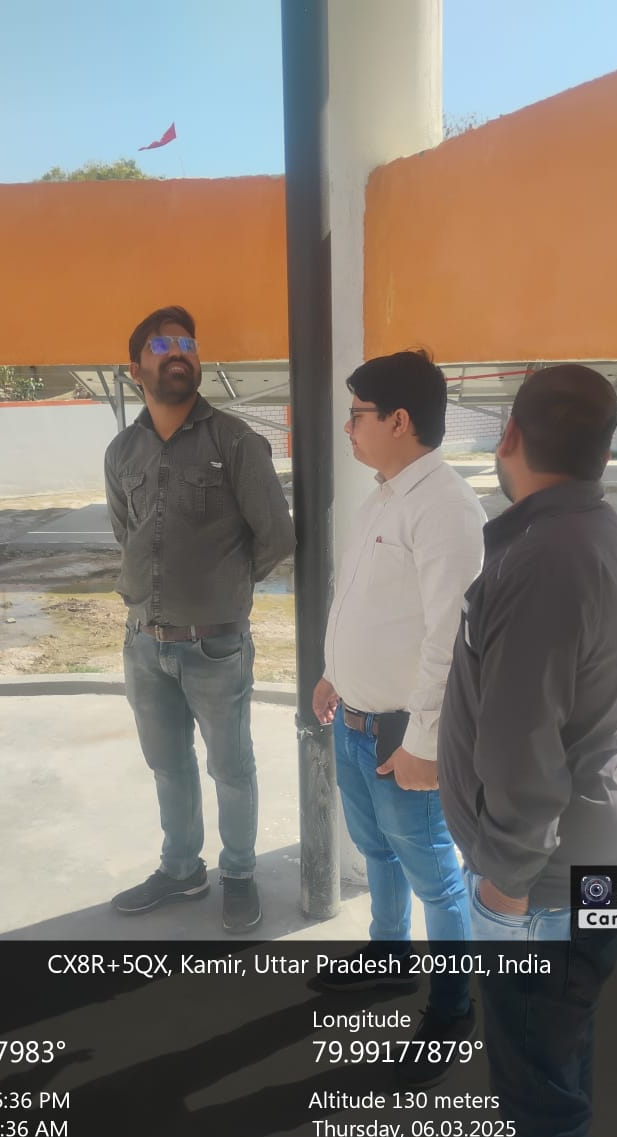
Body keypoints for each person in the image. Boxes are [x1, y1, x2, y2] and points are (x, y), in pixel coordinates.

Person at [437, 364, 617, 1137]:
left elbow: (522, 747)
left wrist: (503, 882)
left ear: (509, 437)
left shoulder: (542, 559)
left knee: (537, 1098)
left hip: (542, 882)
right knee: (558, 1060)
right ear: (604, 450)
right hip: (580, 860)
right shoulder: (599, 532)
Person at [311, 349, 486, 1084]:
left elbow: (453, 640)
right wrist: (334, 672)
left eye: (357, 414)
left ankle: (453, 1007)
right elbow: (363, 601)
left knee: (435, 877)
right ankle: (387, 957)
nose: (348, 427)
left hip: (400, 738)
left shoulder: (446, 508)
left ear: (399, 420)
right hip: (355, 721)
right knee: (377, 851)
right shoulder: (383, 498)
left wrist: (425, 743)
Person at [105, 305, 295, 933]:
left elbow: (275, 536)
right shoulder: (122, 451)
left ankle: (238, 874)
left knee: (231, 770)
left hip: (216, 647)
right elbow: (127, 535)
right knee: (168, 765)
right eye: (162, 346)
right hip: (143, 644)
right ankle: (182, 870)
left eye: (186, 343)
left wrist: (222, 592)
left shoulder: (234, 442)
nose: (178, 352)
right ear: (136, 370)